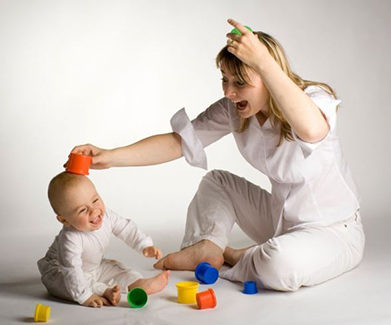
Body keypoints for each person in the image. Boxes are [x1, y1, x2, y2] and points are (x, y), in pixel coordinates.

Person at [70, 19, 365, 292]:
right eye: (224, 79)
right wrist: (110, 156)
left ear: (267, 75)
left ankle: (232, 255)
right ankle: (208, 246)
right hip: (280, 219)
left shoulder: (313, 99)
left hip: (333, 231)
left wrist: (262, 59)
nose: (229, 92)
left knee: (280, 264)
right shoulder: (235, 110)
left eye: (239, 82)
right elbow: (177, 142)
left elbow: (312, 130)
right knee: (216, 182)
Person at [37, 172, 170, 307]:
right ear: (64, 220)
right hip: (61, 269)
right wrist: (85, 297)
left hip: (94, 266)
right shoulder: (70, 239)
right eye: (83, 210)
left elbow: (125, 228)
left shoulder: (107, 216)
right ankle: (103, 291)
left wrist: (144, 245)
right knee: (65, 284)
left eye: (95, 200)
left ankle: (137, 283)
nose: (94, 211)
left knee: (116, 269)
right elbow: (72, 269)